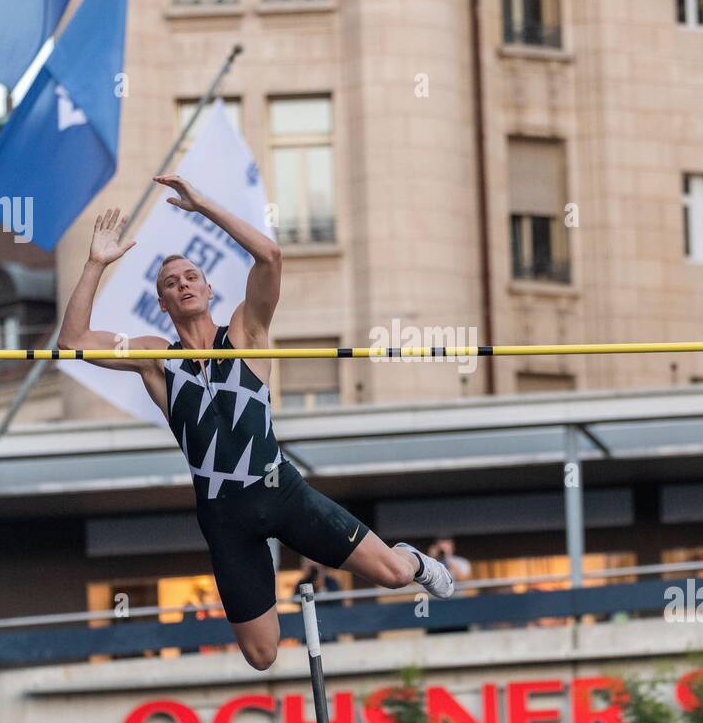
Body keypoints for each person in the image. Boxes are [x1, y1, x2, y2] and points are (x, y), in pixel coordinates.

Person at [59, 178, 454, 671]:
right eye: (170, 283)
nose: (182, 284)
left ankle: (415, 558)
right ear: (161, 304)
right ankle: (294, 589)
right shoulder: (156, 360)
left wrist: (203, 207)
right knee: (262, 655)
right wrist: (96, 263)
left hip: (282, 494)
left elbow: (269, 256)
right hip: (224, 518)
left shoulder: (247, 332)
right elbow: (72, 340)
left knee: (396, 575)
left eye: (190, 276)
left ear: (208, 288)